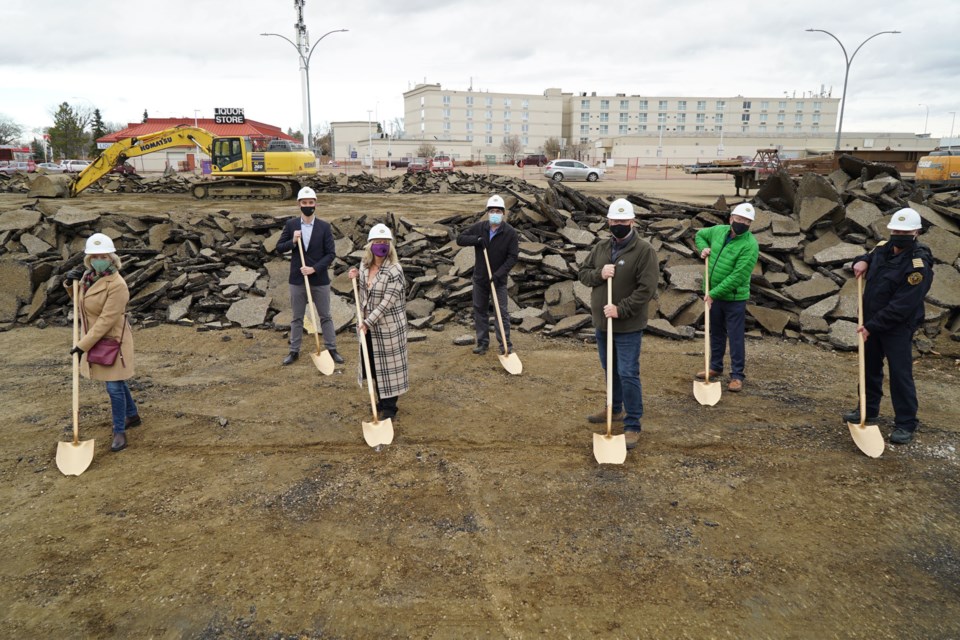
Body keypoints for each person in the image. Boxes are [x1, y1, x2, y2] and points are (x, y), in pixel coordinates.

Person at [843, 208, 934, 444]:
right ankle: (867, 410)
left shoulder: (918, 263)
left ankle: (905, 423)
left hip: (897, 326)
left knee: (900, 373)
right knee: (869, 368)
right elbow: (870, 256)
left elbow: (904, 305)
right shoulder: (883, 248)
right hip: (870, 321)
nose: (899, 234)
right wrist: (861, 261)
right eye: (895, 230)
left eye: (905, 231)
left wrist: (872, 326)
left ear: (916, 233)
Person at [578, 198, 660, 450]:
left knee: (627, 373)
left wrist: (620, 309)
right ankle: (614, 409)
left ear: (632, 222)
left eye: (623, 221)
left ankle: (633, 423)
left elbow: (646, 289)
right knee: (610, 370)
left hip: (627, 325)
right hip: (603, 323)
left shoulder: (644, 251)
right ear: (608, 222)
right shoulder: (602, 247)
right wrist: (599, 274)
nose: (619, 225)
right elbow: (583, 273)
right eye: (615, 221)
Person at [63, 233, 140, 453]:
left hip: (113, 340)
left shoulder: (118, 285)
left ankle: (119, 431)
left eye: (103, 255)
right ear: (88, 259)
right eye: (94, 255)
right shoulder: (88, 278)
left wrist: (81, 346)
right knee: (116, 380)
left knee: (113, 385)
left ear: (112, 258)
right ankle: (132, 415)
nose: (98, 258)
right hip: (95, 337)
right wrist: (70, 283)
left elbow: (106, 320)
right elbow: (82, 305)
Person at [693, 202, 760, 392]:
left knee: (736, 336)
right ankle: (715, 366)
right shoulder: (719, 231)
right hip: (713, 294)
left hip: (733, 298)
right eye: (739, 219)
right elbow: (699, 235)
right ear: (731, 218)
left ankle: (737, 375)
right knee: (716, 332)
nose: (742, 223)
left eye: (747, 221)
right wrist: (703, 249)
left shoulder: (750, 245)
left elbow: (738, 276)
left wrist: (713, 293)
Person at [276, 186, 343, 366]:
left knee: (325, 316)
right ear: (299, 204)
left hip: (319, 279)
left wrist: (314, 269)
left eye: (311, 202)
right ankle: (294, 351)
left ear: (315, 204)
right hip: (298, 280)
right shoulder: (291, 226)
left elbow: (330, 254)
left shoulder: (324, 227)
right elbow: (279, 247)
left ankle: (332, 348)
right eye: (304, 203)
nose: (308, 205)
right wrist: (293, 241)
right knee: (297, 317)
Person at [348, 224, 409, 420]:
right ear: (370, 245)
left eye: (385, 242)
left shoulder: (395, 270)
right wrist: (355, 277)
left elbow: (387, 303)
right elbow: (363, 294)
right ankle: (381, 401)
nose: (381, 246)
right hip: (368, 326)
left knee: (390, 369)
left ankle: (390, 408)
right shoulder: (364, 266)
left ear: (390, 246)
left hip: (389, 327)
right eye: (377, 242)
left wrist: (367, 322)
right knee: (374, 365)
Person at [456, 194, 520, 355]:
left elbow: (513, 257)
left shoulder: (510, 233)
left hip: (498, 280)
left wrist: (499, 274)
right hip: (480, 278)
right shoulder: (480, 228)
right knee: (480, 310)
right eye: (492, 211)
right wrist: (476, 240)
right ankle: (482, 343)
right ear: (488, 212)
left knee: (501, 313)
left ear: (503, 213)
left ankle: (505, 345)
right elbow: (460, 239)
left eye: (498, 211)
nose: (495, 213)